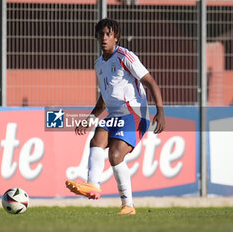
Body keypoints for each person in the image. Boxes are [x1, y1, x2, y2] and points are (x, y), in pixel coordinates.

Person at [65, 18, 165, 215]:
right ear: (96, 36)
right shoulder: (99, 64)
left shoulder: (125, 56)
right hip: (115, 114)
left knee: (115, 155)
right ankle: (93, 186)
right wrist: (91, 118)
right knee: (96, 139)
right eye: (101, 34)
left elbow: (150, 81)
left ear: (115, 37)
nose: (104, 37)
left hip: (134, 113)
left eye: (108, 34)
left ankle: (128, 205)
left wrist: (160, 111)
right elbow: (105, 96)